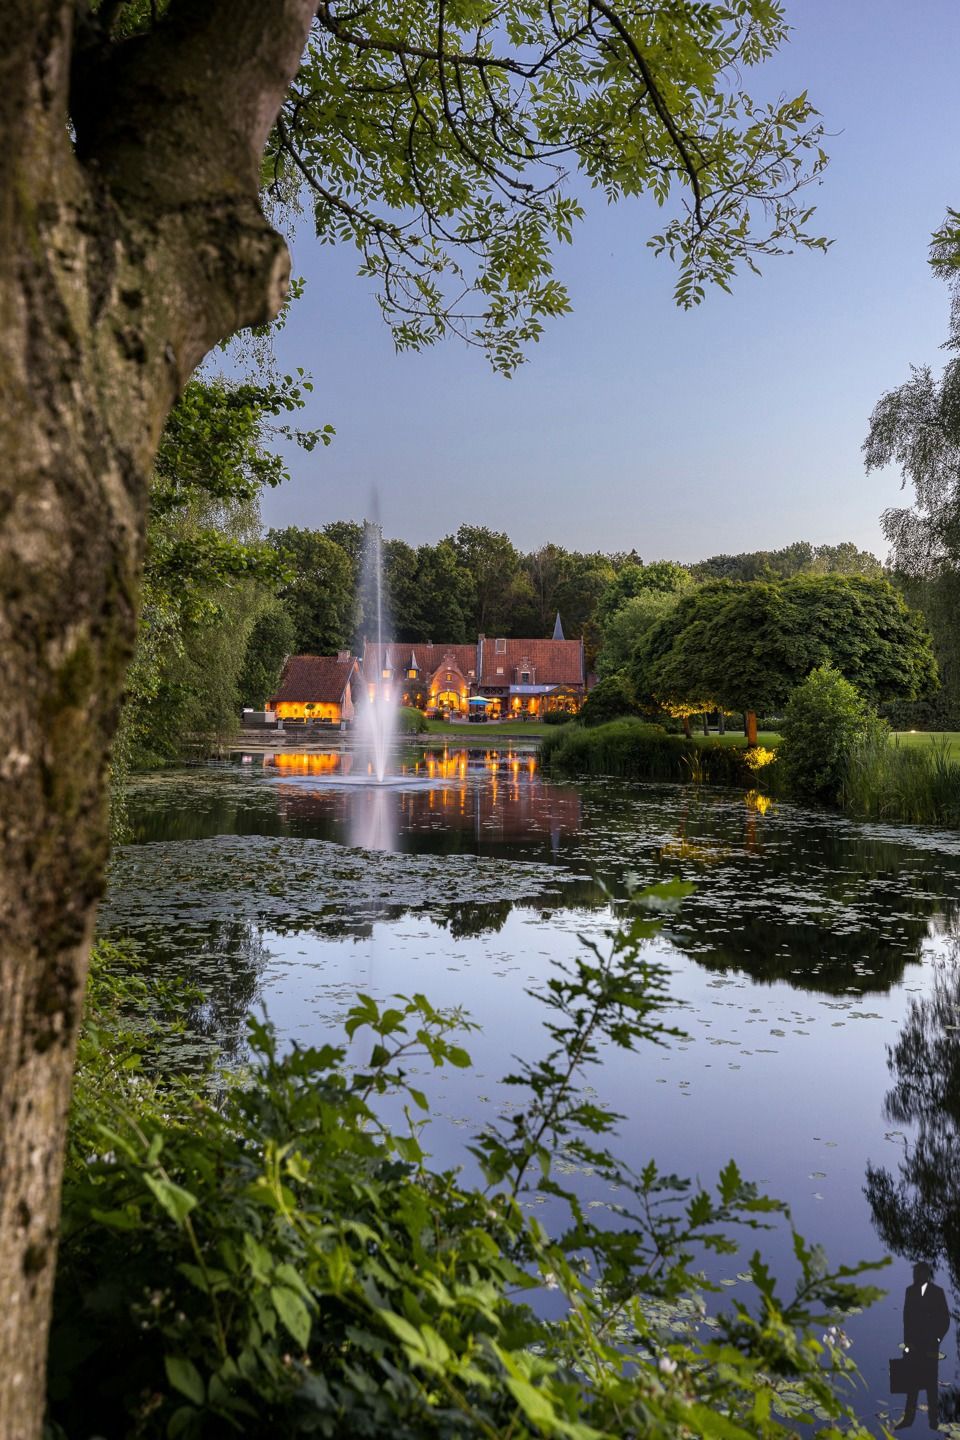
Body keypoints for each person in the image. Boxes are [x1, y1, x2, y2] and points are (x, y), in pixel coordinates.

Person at [896, 1262, 950, 1430]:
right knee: (911, 1384)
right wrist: (907, 1344)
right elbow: (906, 1318)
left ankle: (934, 1421)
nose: (919, 1275)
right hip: (914, 1345)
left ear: (927, 1274)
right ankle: (908, 1419)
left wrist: (938, 1339)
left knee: (931, 1383)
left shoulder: (937, 1292)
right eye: (917, 1272)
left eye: (922, 1272)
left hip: (930, 1345)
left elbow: (945, 1319)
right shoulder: (910, 1291)